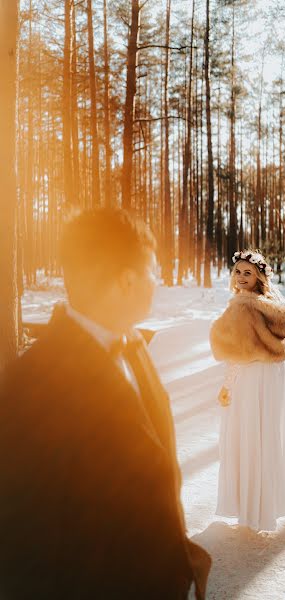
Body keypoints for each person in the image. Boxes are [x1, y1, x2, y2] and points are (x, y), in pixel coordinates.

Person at [0, 208, 211, 599]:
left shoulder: (131, 344)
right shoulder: (30, 386)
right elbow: (23, 548)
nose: (158, 282)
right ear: (125, 282)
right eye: (152, 271)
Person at [209, 249, 285, 533]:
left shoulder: (242, 306)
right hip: (272, 376)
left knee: (247, 436)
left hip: (250, 378)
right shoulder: (274, 303)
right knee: (266, 436)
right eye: (238, 271)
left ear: (259, 275)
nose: (242, 277)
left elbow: (236, 353)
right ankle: (264, 506)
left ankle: (251, 510)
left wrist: (227, 385)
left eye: (248, 272)